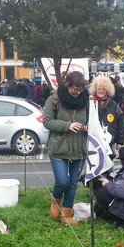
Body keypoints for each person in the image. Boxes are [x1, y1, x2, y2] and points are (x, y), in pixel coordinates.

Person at [43, 71, 89, 226]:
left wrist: (89, 127)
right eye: (74, 89)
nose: (77, 92)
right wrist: (67, 125)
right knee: (63, 181)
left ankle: (66, 214)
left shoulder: (86, 100)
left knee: (73, 183)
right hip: (58, 147)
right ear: (67, 84)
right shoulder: (54, 99)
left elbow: (92, 120)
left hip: (79, 147)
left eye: (80, 90)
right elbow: (47, 121)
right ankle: (55, 201)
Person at [89, 75, 124, 159]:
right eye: (99, 89)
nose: (101, 91)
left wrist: (120, 141)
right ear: (95, 89)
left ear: (108, 90)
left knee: (108, 168)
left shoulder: (114, 105)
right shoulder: (90, 103)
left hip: (109, 143)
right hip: (94, 142)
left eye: (103, 89)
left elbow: (121, 124)